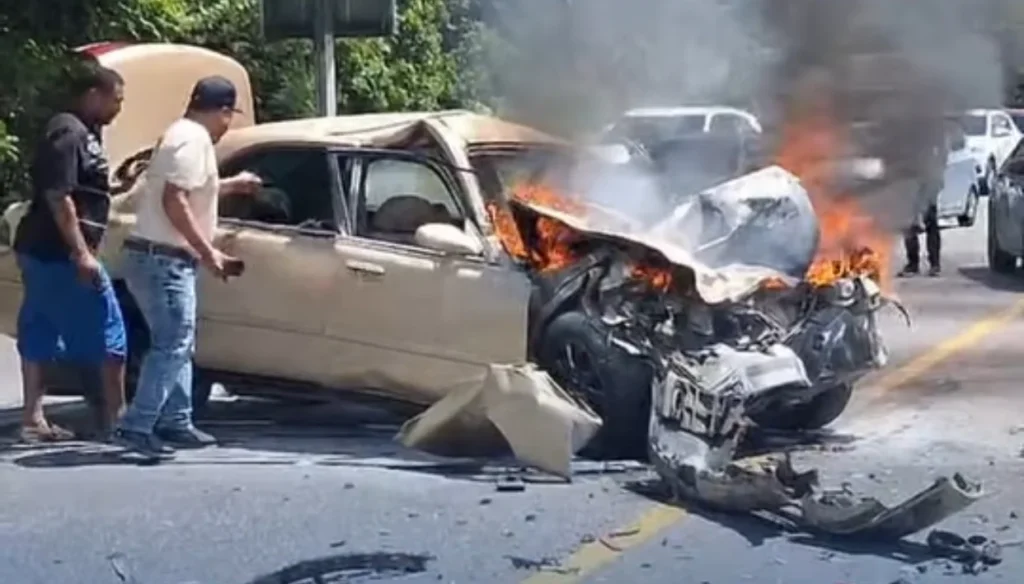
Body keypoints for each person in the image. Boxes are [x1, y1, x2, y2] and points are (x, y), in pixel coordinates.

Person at [113, 76, 261, 459]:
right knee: (171, 344)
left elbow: (189, 187)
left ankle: (176, 421)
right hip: (165, 259)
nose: (229, 125)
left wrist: (231, 185)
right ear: (223, 112)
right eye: (230, 116)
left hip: (156, 257)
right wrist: (208, 252)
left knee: (179, 343)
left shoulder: (179, 134)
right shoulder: (193, 140)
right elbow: (174, 199)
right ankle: (138, 425)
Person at [12, 62, 126, 442]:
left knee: (41, 328)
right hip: (58, 251)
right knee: (111, 332)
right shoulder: (67, 131)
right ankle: (118, 421)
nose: (118, 109)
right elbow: (57, 194)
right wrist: (81, 252)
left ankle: (33, 419)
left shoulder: (84, 132)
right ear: (93, 95)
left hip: (48, 250)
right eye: (116, 100)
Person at [899, 121, 949, 278]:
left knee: (930, 221)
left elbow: (943, 153)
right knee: (908, 224)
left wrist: (938, 174)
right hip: (909, 180)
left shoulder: (934, 129)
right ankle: (912, 263)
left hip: (929, 179)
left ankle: (935, 264)